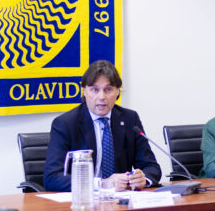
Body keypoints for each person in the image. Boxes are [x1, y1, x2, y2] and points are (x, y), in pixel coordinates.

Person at [44, 60, 161, 192]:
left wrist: (143, 179)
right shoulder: (65, 124)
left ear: (117, 92)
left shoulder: (130, 119)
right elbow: (52, 178)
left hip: (121, 202)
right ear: (84, 91)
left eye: (108, 89)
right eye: (94, 89)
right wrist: (102, 184)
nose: (101, 97)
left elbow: (151, 167)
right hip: (82, 201)